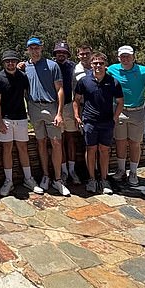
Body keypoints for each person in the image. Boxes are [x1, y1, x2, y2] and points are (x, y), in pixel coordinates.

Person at [0, 50, 42, 197]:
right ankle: (9, 181)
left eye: (13, 61)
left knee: (23, 148)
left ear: (16, 62)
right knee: (7, 149)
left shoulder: (23, 77)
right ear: (4, 63)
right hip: (6, 118)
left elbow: (27, 96)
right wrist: (0, 121)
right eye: (7, 61)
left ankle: (28, 178)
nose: (10, 63)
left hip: (21, 117)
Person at [74, 52, 124, 195]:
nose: (98, 66)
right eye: (95, 63)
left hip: (107, 122)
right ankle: (91, 179)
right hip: (90, 121)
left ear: (105, 65)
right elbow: (76, 100)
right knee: (91, 149)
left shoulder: (113, 81)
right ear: (91, 65)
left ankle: (104, 179)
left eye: (100, 63)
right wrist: (77, 116)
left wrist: (115, 117)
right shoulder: (84, 81)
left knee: (104, 150)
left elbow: (120, 102)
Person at [24, 38, 69, 196]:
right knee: (41, 143)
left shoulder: (52, 65)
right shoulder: (25, 67)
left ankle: (58, 179)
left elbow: (60, 90)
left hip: (50, 106)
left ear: (41, 48)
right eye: (31, 48)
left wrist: (59, 113)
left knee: (56, 143)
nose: (34, 51)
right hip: (34, 107)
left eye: (37, 48)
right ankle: (45, 175)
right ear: (28, 50)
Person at [107, 46, 145, 187]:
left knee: (134, 143)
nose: (125, 59)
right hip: (119, 111)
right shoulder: (112, 69)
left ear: (133, 57)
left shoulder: (144, 71)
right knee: (120, 141)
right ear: (118, 57)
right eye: (122, 56)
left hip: (137, 111)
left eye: (128, 56)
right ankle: (121, 170)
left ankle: (133, 172)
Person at [53, 40, 81, 184]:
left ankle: (72, 170)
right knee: (59, 139)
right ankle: (63, 171)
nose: (61, 55)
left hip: (69, 106)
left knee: (70, 139)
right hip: (55, 107)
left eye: (64, 52)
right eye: (58, 52)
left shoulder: (73, 67)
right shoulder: (51, 66)